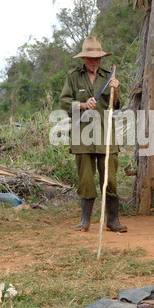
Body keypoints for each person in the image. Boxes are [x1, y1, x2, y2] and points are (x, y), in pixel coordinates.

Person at [59, 36, 127, 233]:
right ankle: (85, 221)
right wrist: (82, 105)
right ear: (83, 59)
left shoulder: (109, 75)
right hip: (82, 136)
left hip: (106, 135)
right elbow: (64, 103)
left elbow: (116, 105)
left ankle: (113, 221)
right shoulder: (73, 76)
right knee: (86, 179)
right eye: (90, 58)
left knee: (110, 178)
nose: (94, 61)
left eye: (97, 57)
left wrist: (116, 89)